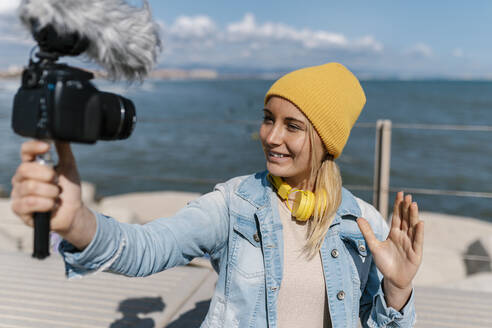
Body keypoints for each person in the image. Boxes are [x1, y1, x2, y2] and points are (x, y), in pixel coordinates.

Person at [11, 62, 424, 328]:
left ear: (327, 141)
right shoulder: (234, 204)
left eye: (292, 126)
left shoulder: (364, 224)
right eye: (267, 119)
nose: (271, 137)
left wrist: (398, 290)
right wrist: (79, 221)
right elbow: (149, 247)